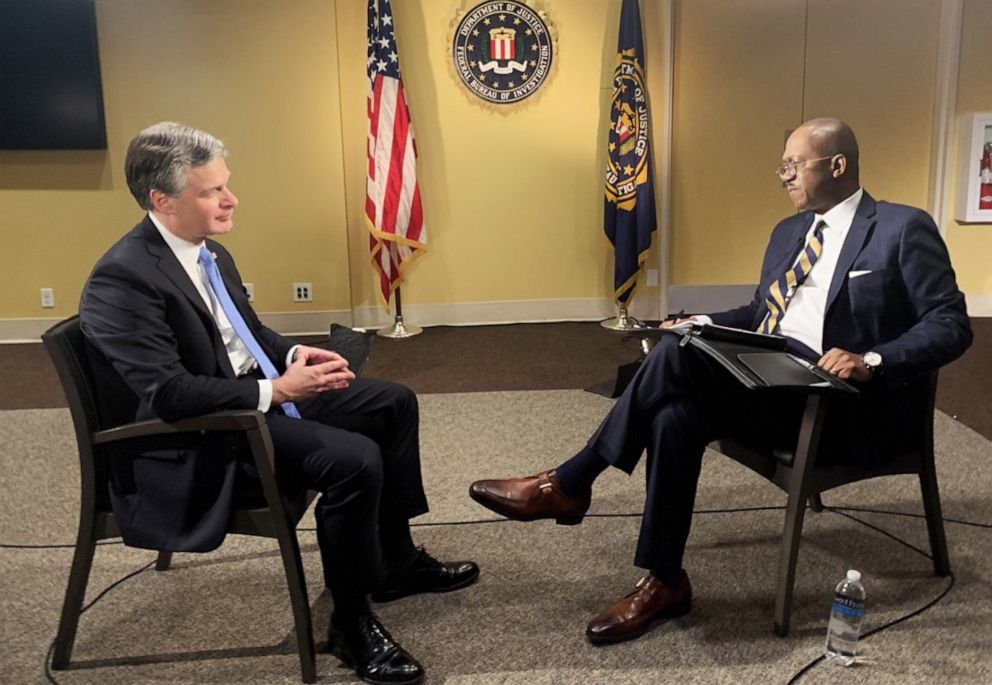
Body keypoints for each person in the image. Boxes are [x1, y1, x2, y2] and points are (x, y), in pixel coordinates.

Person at [469, 118, 972, 644]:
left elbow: (950, 324)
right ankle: (665, 581)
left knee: (673, 361)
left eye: (793, 165)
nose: (784, 176)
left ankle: (571, 483)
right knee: (674, 410)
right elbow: (761, 312)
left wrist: (873, 359)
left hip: (838, 404)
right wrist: (702, 324)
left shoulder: (900, 227)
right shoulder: (788, 232)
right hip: (773, 378)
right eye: (782, 166)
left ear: (838, 165)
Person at [80, 122, 478, 685]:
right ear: (161, 201)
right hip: (203, 433)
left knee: (392, 402)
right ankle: (351, 620)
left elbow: (245, 331)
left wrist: (295, 353)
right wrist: (278, 390)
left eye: (226, 184)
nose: (230, 198)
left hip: (251, 398)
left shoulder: (207, 250)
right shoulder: (122, 279)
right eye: (210, 191)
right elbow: (168, 393)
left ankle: (394, 562)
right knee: (353, 461)